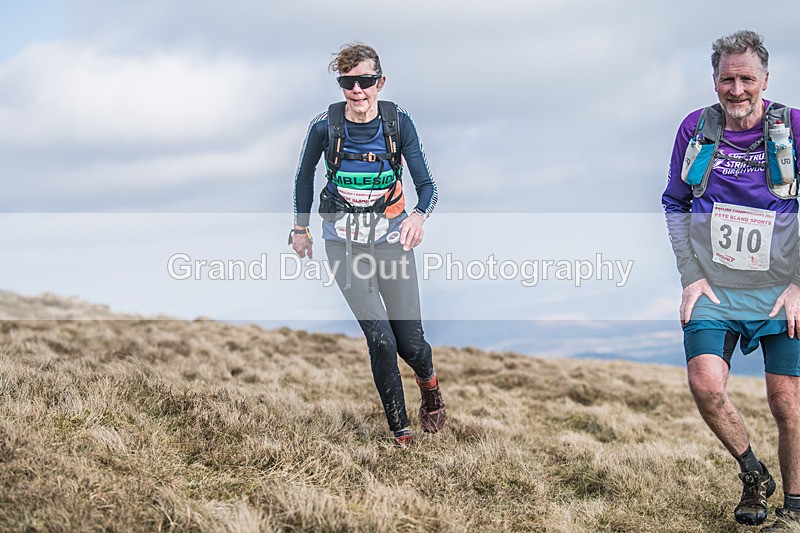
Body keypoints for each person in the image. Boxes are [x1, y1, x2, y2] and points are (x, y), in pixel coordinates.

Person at [663, 30, 800, 530]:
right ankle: (751, 472)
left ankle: (793, 509)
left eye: (747, 79)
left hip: (781, 288)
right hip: (714, 287)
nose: (737, 90)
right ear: (715, 80)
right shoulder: (695, 129)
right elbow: (675, 201)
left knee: (787, 404)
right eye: (727, 79)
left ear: (766, 79)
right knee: (705, 384)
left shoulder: (795, 129)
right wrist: (690, 275)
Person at [290, 43, 445, 448]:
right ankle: (401, 433)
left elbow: (427, 187)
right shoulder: (325, 126)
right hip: (343, 245)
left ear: (381, 82)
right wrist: (300, 229)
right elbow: (303, 178)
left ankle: (429, 385)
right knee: (381, 340)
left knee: (410, 344)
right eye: (347, 82)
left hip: (392, 242)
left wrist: (417, 216)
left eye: (365, 81)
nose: (357, 90)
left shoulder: (398, 123)